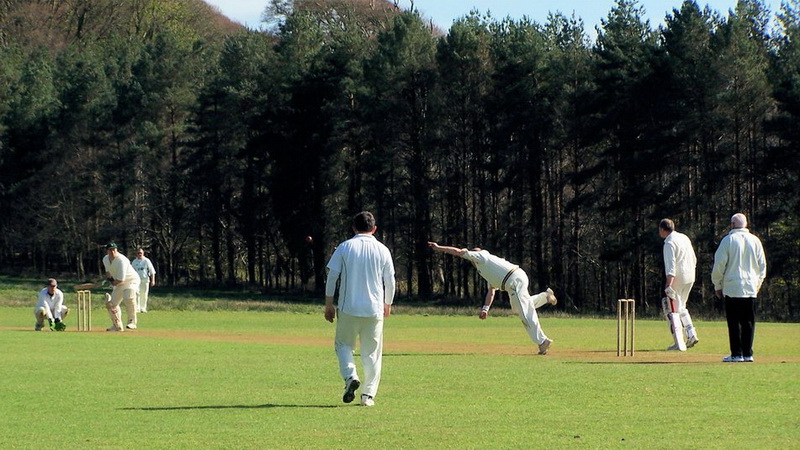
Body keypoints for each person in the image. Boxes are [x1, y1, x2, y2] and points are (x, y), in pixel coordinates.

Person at [427, 242, 557, 355]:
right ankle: (546, 297)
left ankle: (542, 341)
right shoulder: (485, 269)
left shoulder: (483, 256)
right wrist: (485, 309)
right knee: (519, 309)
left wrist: (439, 248)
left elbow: (458, 252)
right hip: (515, 280)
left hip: (513, 281)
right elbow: (492, 290)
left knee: (526, 314)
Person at [325, 212, 396, 407]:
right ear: (374, 229)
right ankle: (368, 396)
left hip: (348, 307)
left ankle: (350, 377)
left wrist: (329, 303)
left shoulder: (345, 247)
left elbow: (332, 276)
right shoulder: (382, 249)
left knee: (343, 346)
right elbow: (390, 281)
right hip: (374, 309)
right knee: (372, 353)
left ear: (354, 228)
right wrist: (388, 303)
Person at [711, 213, 767, 363]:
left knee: (734, 322)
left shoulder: (728, 240)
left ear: (732, 224)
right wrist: (757, 285)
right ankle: (748, 353)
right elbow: (762, 266)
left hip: (732, 286)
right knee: (749, 322)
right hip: (750, 287)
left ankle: (736, 353)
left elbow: (719, 265)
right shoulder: (755, 241)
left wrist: (717, 284)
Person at [658, 218, 699, 351]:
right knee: (682, 307)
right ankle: (691, 333)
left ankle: (679, 343)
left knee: (673, 310)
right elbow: (694, 258)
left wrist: (668, 284)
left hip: (678, 278)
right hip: (690, 275)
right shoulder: (684, 237)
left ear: (662, 230)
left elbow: (670, 266)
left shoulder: (669, 242)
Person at [102, 242, 140, 331]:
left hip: (131, 280)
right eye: (110, 250)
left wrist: (112, 283)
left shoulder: (122, 260)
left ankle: (132, 322)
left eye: (114, 249)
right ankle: (117, 325)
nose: (112, 252)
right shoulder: (105, 259)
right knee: (111, 304)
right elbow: (108, 272)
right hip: (119, 283)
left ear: (116, 250)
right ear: (107, 251)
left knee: (128, 296)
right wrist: (109, 280)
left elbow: (121, 279)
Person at [132, 248, 156, 313]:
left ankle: (143, 308)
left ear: (143, 253)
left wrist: (153, 280)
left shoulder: (146, 261)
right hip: (136, 281)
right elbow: (132, 272)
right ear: (136, 254)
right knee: (137, 294)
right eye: (138, 253)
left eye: (141, 253)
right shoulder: (134, 262)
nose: (139, 254)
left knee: (144, 294)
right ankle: (137, 308)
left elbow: (152, 271)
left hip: (145, 280)